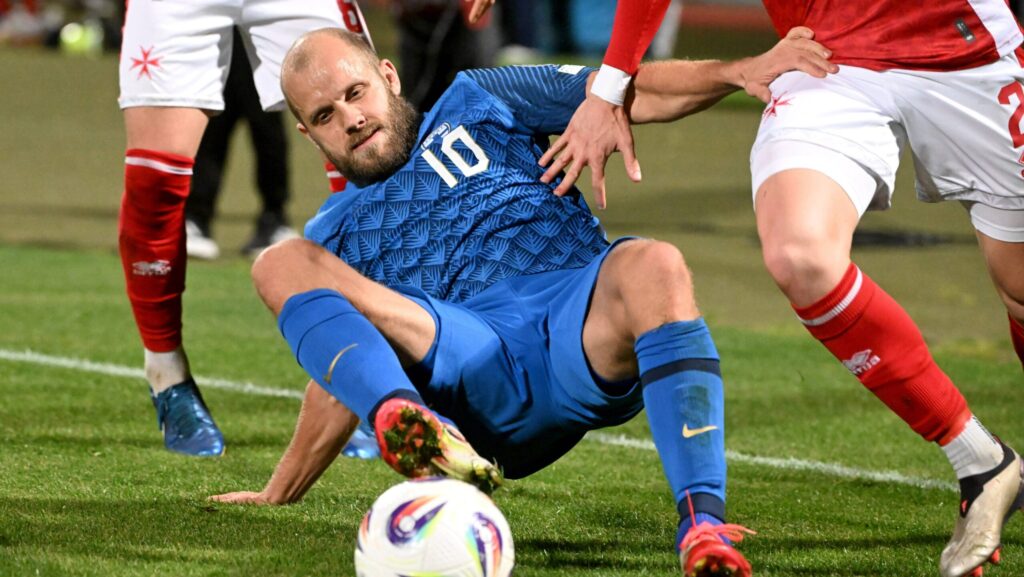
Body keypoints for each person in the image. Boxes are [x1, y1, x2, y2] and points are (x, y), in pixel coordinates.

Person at [209, 26, 834, 575]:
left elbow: (621, 92)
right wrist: (280, 489)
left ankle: (704, 528)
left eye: (355, 93)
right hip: (467, 361)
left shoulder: (479, 97)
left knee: (654, 261)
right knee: (282, 260)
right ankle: (410, 423)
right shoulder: (335, 232)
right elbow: (340, 369)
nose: (349, 119)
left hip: (574, 323)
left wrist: (737, 71)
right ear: (307, 133)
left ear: (388, 77)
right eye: (323, 116)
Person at [540, 2, 1024, 577]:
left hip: (963, 53)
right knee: (800, 255)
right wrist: (609, 87)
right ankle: (981, 461)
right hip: (829, 57)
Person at [185, 27, 298, 261]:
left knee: (267, 128)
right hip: (215, 34)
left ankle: (274, 220)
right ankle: (195, 219)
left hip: (262, 35)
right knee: (212, 126)